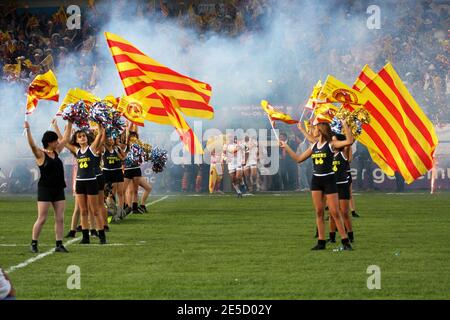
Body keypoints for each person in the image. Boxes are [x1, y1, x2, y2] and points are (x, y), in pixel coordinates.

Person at [280, 119, 354, 250]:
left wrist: (345, 125)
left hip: (329, 180)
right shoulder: (313, 146)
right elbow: (298, 159)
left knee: (334, 212)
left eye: (314, 128)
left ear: (320, 131)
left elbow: (349, 141)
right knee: (319, 212)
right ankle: (321, 242)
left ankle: (345, 241)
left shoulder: (331, 144)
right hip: (316, 180)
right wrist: (286, 147)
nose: (312, 130)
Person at [24, 119, 71, 253]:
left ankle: (59, 244)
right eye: (55, 140)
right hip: (45, 189)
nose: (58, 142)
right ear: (50, 142)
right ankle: (34, 243)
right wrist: (28, 130)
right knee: (42, 218)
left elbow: (66, 138)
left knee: (60, 218)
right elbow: (32, 145)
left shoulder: (56, 152)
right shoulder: (40, 154)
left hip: (58, 189)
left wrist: (70, 121)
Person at [65, 124, 106, 244]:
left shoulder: (91, 149)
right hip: (80, 183)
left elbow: (99, 135)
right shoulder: (77, 150)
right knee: (83, 211)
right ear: (77, 140)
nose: (82, 138)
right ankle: (85, 237)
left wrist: (99, 125)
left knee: (95, 210)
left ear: (87, 138)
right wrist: (65, 125)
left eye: (84, 136)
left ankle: (102, 236)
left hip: (91, 182)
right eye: (80, 137)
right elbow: (64, 141)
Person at [328, 134, 355, 243]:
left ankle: (350, 235)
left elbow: (350, 141)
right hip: (331, 186)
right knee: (331, 213)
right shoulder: (328, 153)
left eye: (335, 141)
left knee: (344, 212)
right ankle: (332, 237)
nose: (332, 143)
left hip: (342, 185)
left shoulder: (343, 153)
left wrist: (346, 124)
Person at [103, 137, 126, 220]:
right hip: (107, 172)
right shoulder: (103, 148)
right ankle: (112, 211)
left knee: (120, 192)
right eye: (108, 139)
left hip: (118, 171)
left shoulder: (117, 148)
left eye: (112, 139)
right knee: (111, 194)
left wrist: (121, 151)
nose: (110, 140)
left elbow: (124, 157)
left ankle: (120, 212)